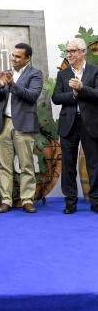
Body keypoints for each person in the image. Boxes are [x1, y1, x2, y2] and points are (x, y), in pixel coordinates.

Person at [0, 43, 43, 213]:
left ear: (27, 58)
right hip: (4, 123)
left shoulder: (35, 74)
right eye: (13, 55)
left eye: (18, 56)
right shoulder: (6, 73)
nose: (14, 58)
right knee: (5, 165)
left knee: (26, 164)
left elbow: (32, 96)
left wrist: (12, 85)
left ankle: (27, 199)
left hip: (24, 125)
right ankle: (6, 200)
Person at [52, 38, 98, 214]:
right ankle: (70, 202)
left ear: (83, 52)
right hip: (69, 124)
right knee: (68, 164)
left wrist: (82, 88)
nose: (69, 54)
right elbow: (56, 98)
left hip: (91, 123)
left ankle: (96, 200)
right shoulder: (63, 74)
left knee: (94, 164)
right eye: (67, 51)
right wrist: (72, 93)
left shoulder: (95, 71)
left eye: (72, 51)